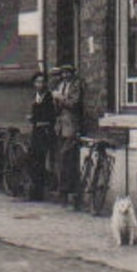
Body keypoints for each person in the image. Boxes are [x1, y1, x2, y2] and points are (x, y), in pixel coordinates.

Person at [52, 64, 84, 203]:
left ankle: (67, 189)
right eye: (63, 73)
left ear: (72, 74)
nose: (65, 76)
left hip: (71, 124)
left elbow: (74, 103)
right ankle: (62, 189)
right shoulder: (60, 85)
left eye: (67, 73)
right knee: (60, 157)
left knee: (67, 156)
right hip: (61, 125)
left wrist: (60, 98)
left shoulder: (75, 86)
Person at [26, 71, 56, 200]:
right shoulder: (35, 96)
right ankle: (35, 190)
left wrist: (37, 119)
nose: (40, 84)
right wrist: (32, 119)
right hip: (36, 131)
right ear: (34, 84)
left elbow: (51, 115)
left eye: (43, 82)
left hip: (45, 131)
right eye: (38, 82)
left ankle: (41, 191)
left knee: (42, 159)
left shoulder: (49, 97)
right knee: (33, 160)